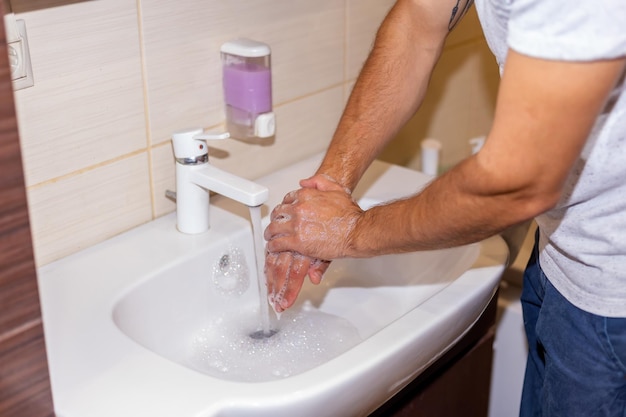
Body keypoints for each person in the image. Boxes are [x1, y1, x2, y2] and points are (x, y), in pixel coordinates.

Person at [264, 0, 626, 415]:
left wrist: (348, 231)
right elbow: (420, 20)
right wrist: (330, 185)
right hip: (563, 254)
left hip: (612, 297)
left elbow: (520, 184)